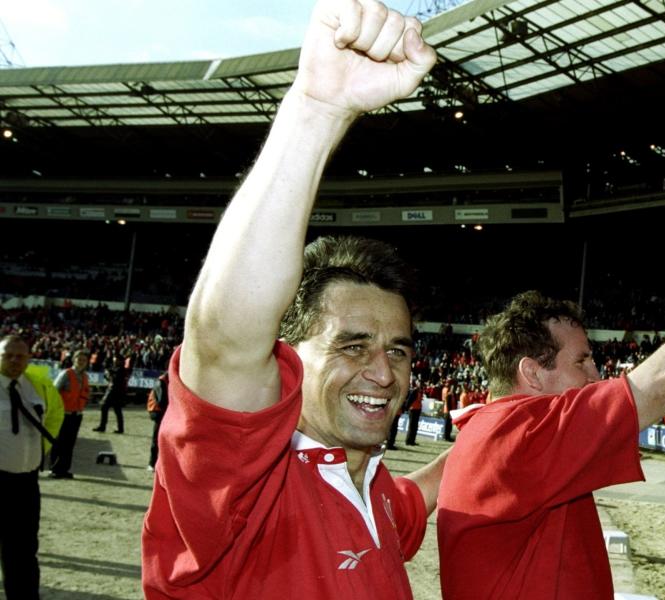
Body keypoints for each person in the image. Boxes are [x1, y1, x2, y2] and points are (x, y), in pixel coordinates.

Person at [140, 2, 444, 598]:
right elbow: (224, 338)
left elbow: (430, 487)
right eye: (352, 346)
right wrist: (317, 110)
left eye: (399, 350)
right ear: (286, 357)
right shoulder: (238, 487)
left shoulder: (375, 490)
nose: (383, 372)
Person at [438, 242, 665, 599]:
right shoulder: (520, 432)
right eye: (581, 361)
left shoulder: (496, 431)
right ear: (532, 373)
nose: (596, 375)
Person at [1, 335, 63, 600]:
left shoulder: (38, 386)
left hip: (26, 483)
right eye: (8, 355)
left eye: (21, 355)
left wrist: (37, 455)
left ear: (29, 358)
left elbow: (52, 419)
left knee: (24, 549)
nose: (15, 360)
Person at [49, 349, 91, 479]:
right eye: (79, 359)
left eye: (84, 360)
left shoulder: (85, 377)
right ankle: (55, 469)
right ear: (74, 360)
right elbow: (54, 391)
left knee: (70, 444)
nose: (81, 362)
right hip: (64, 414)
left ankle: (64, 469)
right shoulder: (66, 374)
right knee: (59, 442)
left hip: (76, 415)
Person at [92, 355, 128, 434]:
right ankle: (119, 428)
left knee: (105, 407)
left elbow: (114, 379)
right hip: (115, 391)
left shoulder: (121, 370)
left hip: (114, 391)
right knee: (117, 410)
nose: (114, 361)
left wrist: (108, 373)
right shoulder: (117, 369)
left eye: (116, 360)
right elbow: (109, 378)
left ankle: (103, 426)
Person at [145, 371, 169, 472]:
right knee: (157, 438)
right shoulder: (161, 382)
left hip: (162, 412)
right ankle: (152, 463)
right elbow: (162, 401)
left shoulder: (164, 381)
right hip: (158, 412)